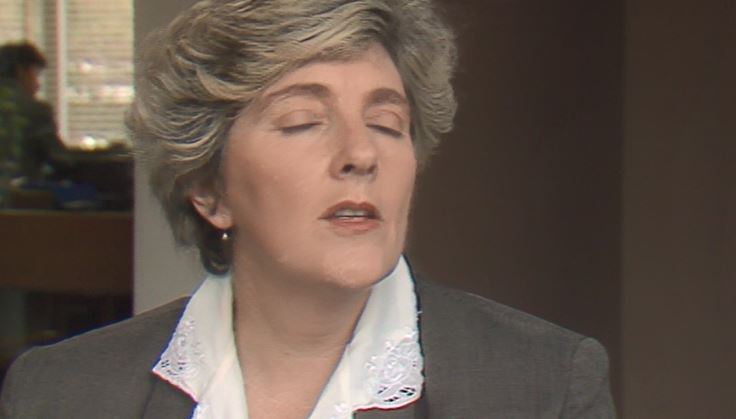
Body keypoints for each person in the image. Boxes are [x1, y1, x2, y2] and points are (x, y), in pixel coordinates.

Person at [0, 0, 616, 418]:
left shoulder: (543, 384)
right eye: (302, 121)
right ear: (210, 190)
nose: (361, 154)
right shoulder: (61, 393)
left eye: (386, 123)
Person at [0, 42, 68, 184]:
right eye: (36, 75)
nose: (38, 85)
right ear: (20, 71)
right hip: (18, 195)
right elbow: (61, 161)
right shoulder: (35, 110)